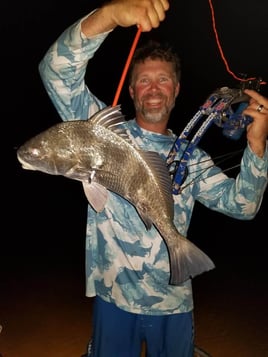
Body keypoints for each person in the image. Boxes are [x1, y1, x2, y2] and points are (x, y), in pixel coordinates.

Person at [38, 0, 268, 356]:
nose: (154, 88)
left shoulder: (190, 158)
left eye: (164, 79)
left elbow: (244, 206)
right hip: (112, 297)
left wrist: (256, 148)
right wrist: (111, 15)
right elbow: (55, 71)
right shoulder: (101, 133)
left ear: (176, 91)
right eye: (143, 80)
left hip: (172, 301)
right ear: (131, 92)